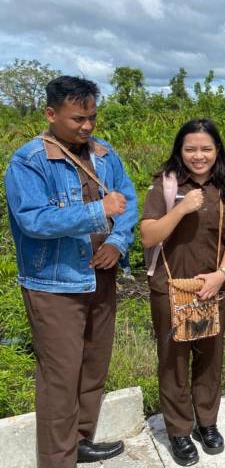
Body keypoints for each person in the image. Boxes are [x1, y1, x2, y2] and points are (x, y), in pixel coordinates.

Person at [5, 76, 137, 467]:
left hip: (101, 275)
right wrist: (99, 212)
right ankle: (57, 460)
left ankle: (81, 440)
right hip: (55, 283)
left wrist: (117, 243)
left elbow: (127, 199)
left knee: (94, 366)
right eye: (78, 118)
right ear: (50, 114)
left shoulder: (104, 153)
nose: (87, 126)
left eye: (92, 117)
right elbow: (34, 220)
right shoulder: (29, 161)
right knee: (60, 377)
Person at [140, 119, 225, 465]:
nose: (198, 156)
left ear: (217, 151)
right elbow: (149, 236)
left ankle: (207, 422)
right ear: (179, 150)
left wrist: (221, 274)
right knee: (173, 361)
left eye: (206, 149)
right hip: (170, 288)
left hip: (214, 287)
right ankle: (179, 430)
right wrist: (182, 208)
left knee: (210, 358)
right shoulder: (166, 185)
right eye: (190, 149)